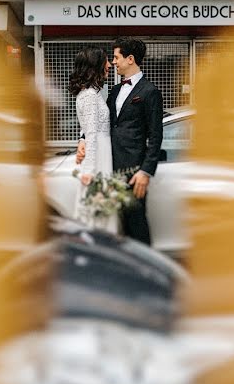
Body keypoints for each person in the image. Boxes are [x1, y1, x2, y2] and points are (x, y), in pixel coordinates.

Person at [77, 37, 163, 245]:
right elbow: (101, 123)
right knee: (116, 227)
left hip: (133, 171)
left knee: (136, 224)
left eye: (116, 57)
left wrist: (145, 171)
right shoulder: (114, 91)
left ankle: (145, 270)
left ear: (130, 59)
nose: (113, 62)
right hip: (108, 168)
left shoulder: (150, 92)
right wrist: (83, 138)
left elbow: (156, 135)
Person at [68, 46, 117, 233]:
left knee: (100, 208)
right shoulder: (89, 96)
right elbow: (92, 134)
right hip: (99, 157)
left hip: (101, 151)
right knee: (97, 209)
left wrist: (81, 141)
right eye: (105, 61)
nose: (109, 65)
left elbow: (87, 130)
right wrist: (88, 171)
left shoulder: (91, 93)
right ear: (95, 65)